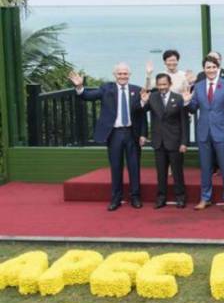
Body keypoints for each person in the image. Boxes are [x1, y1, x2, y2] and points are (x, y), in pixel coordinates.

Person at [69, 64, 147, 211]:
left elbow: (141, 114)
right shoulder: (106, 89)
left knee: (134, 166)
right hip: (114, 133)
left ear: (129, 75)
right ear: (115, 75)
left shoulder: (137, 90)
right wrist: (79, 87)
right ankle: (116, 198)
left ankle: (135, 197)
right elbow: (87, 96)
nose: (122, 76)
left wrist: (143, 134)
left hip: (132, 133)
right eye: (120, 74)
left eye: (125, 73)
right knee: (116, 166)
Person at [183, 56, 224, 211]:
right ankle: (205, 198)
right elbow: (193, 108)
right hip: (203, 132)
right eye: (208, 67)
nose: (211, 70)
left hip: (222, 132)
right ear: (204, 69)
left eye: (214, 67)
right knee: (205, 167)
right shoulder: (198, 86)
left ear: (218, 68)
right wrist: (187, 101)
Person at [140, 73, 188, 209]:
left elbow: (184, 122)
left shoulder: (178, 98)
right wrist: (143, 102)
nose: (162, 87)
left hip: (175, 141)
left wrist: (184, 142)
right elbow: (141, 110)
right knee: (161, 173)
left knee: (177, 172)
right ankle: (161, 198)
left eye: (164, 84)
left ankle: (180, 197)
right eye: (159, 84)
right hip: (158, 141)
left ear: (170, 84)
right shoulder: (152, 97)